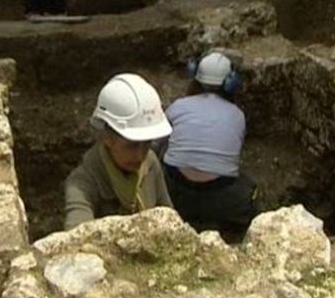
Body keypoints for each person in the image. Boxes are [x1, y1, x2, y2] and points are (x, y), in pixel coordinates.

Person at [64, 73, 173, 230]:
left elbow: (169, 218)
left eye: (147, 144)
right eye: (132, 146)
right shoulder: (82, 183)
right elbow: (75, 233)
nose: (140, 155)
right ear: (106, 138)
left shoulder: (150, 163)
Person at [161, 51, 256, 231]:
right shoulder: (237, 115)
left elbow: (158, 139)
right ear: (231, 82)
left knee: (164, 145)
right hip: (222, 197)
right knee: (249, 188)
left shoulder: (179, 106)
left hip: (174, 190)